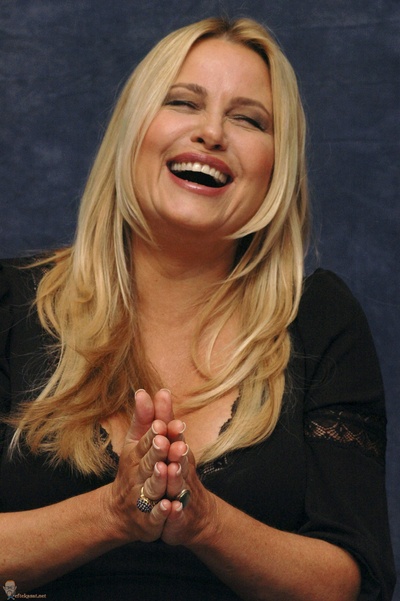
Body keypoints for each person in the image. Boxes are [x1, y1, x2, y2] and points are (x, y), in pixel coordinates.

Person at [0, 16, 395, 601]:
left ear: (276, 167)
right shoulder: (9, 302)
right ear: (133, 130)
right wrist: (113, 512)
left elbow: (352, 580)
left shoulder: (320, 321)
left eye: (248, 119)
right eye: (183, 102)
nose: (211, 133)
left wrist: (206, 522)